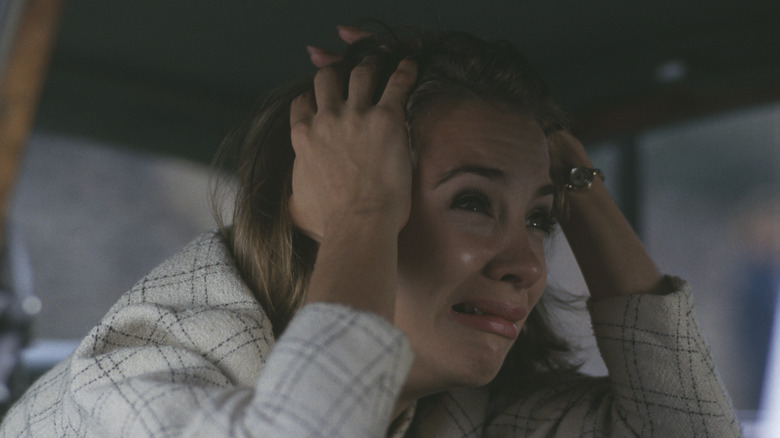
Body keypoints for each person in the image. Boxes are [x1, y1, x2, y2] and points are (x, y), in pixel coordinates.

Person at [0, 25, 741, 437]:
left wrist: (577, 174)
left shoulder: (446, 411)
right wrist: (360, 216)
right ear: (334, 207)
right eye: (476, 202)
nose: (528, 265)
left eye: (543, 217)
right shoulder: (128, 385)